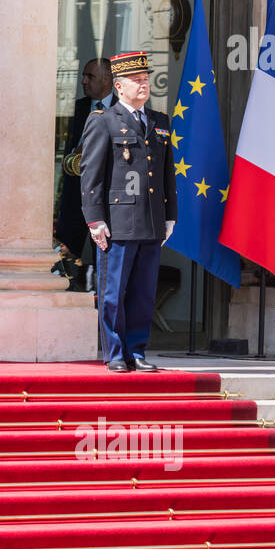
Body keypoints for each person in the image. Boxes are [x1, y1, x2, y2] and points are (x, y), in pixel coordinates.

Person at [79, 50, 177, 372]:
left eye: (146, 80)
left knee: (143, 292)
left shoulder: (159, 122)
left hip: (150, 221)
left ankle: (136, 350)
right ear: (119, 87)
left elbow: (166, 174)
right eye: (136, 81)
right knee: (113, 292)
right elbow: (91, 174)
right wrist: (94, 219)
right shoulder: (104, 121)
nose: (143, 85)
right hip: (118, 222)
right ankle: (116, 352)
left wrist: (170, 215)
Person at [58, 57, 115, 290]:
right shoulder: (76, 108)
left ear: (107, 79)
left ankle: (102, 314)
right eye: (83, 76)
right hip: (75, 196)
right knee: (65, 258)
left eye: (89, 76)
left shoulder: (123, 109)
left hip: (107, 200)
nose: (83, 81)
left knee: (105, 260)